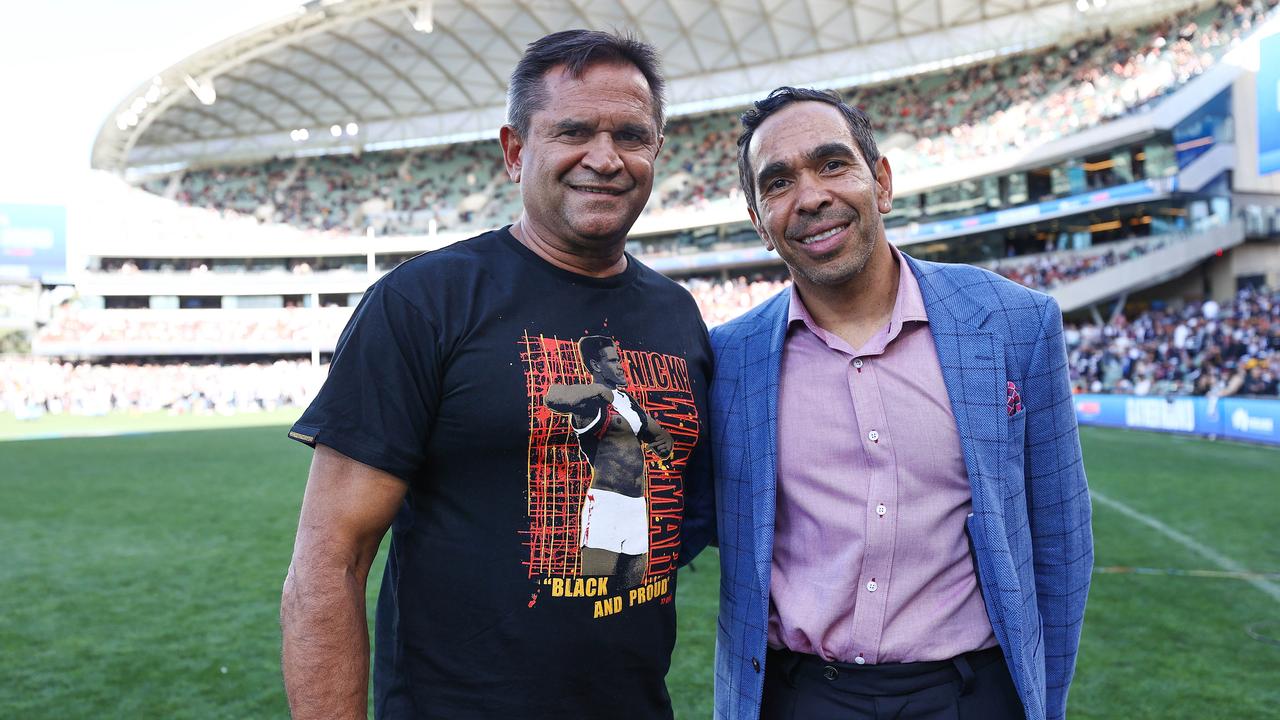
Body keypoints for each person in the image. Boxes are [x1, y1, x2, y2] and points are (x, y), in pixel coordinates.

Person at [280, 30, 713, 720]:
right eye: (573, 131)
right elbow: (330, 560)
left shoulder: (678, 314)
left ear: (655, 151)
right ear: (515, 152)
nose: (604, 158)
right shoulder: (425, 300)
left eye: (631, 135)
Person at [708, 87, 1093, 720]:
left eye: (833, 164)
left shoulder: (1015, 323)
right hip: (799, 697)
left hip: (973, 694)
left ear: (880, 182)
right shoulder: (729, 358)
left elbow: (1061, 540)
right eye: (778, 182)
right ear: (759, 219)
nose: (810, 197)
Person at [544, 335, 675, 588]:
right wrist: (598, 390)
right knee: (595, 592)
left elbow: (657, 433)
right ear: (596, 366)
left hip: (636, 506)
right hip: (607, 504)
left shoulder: (628, 401)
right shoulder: (591, 403)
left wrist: (664, 440)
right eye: (613, 361)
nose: (620, 365)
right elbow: (553, 396)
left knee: (630, 595)